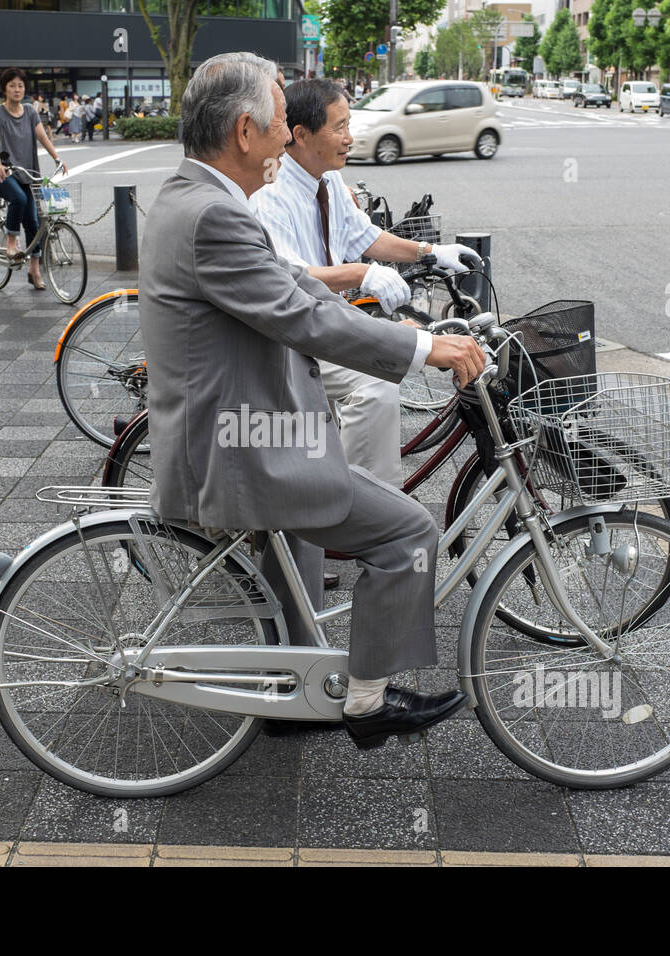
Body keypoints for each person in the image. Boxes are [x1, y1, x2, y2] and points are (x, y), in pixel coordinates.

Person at [138, 51, 483, 749]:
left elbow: (294, 291)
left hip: (233, 428)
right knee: (408, 533)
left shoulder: (191, 197)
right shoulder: (217, 215)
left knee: (300, 553)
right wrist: (423, 350)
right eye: (276, 123)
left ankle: (287, 689)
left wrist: (402, 326)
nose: (285, 137)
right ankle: (365, 700)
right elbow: (304, 318)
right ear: (245, 131)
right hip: (244, 448)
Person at [253, 77, 479, 489]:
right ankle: (362, 506)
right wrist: (362, 273)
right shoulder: (271, 192)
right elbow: (286, 279)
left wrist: (431, 253)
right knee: (374, 383)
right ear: (301, 135)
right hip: (291, 335)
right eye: (338, 127)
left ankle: (345, 479)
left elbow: (366, 236)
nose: (349, 137)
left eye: (349, 124)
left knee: (391, 353)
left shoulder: (328, 180)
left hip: (325, 320)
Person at [0, 67, 68, 290]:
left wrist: (57, 158)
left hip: (27, 172)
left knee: (33, 221)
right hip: (3, 172)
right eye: (12, 85)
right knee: (19, 200)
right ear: (5, 88)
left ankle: (35, 270)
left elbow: (41, 135)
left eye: (20, 85)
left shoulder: (30, 111)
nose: (17, 89)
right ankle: (11, 241)